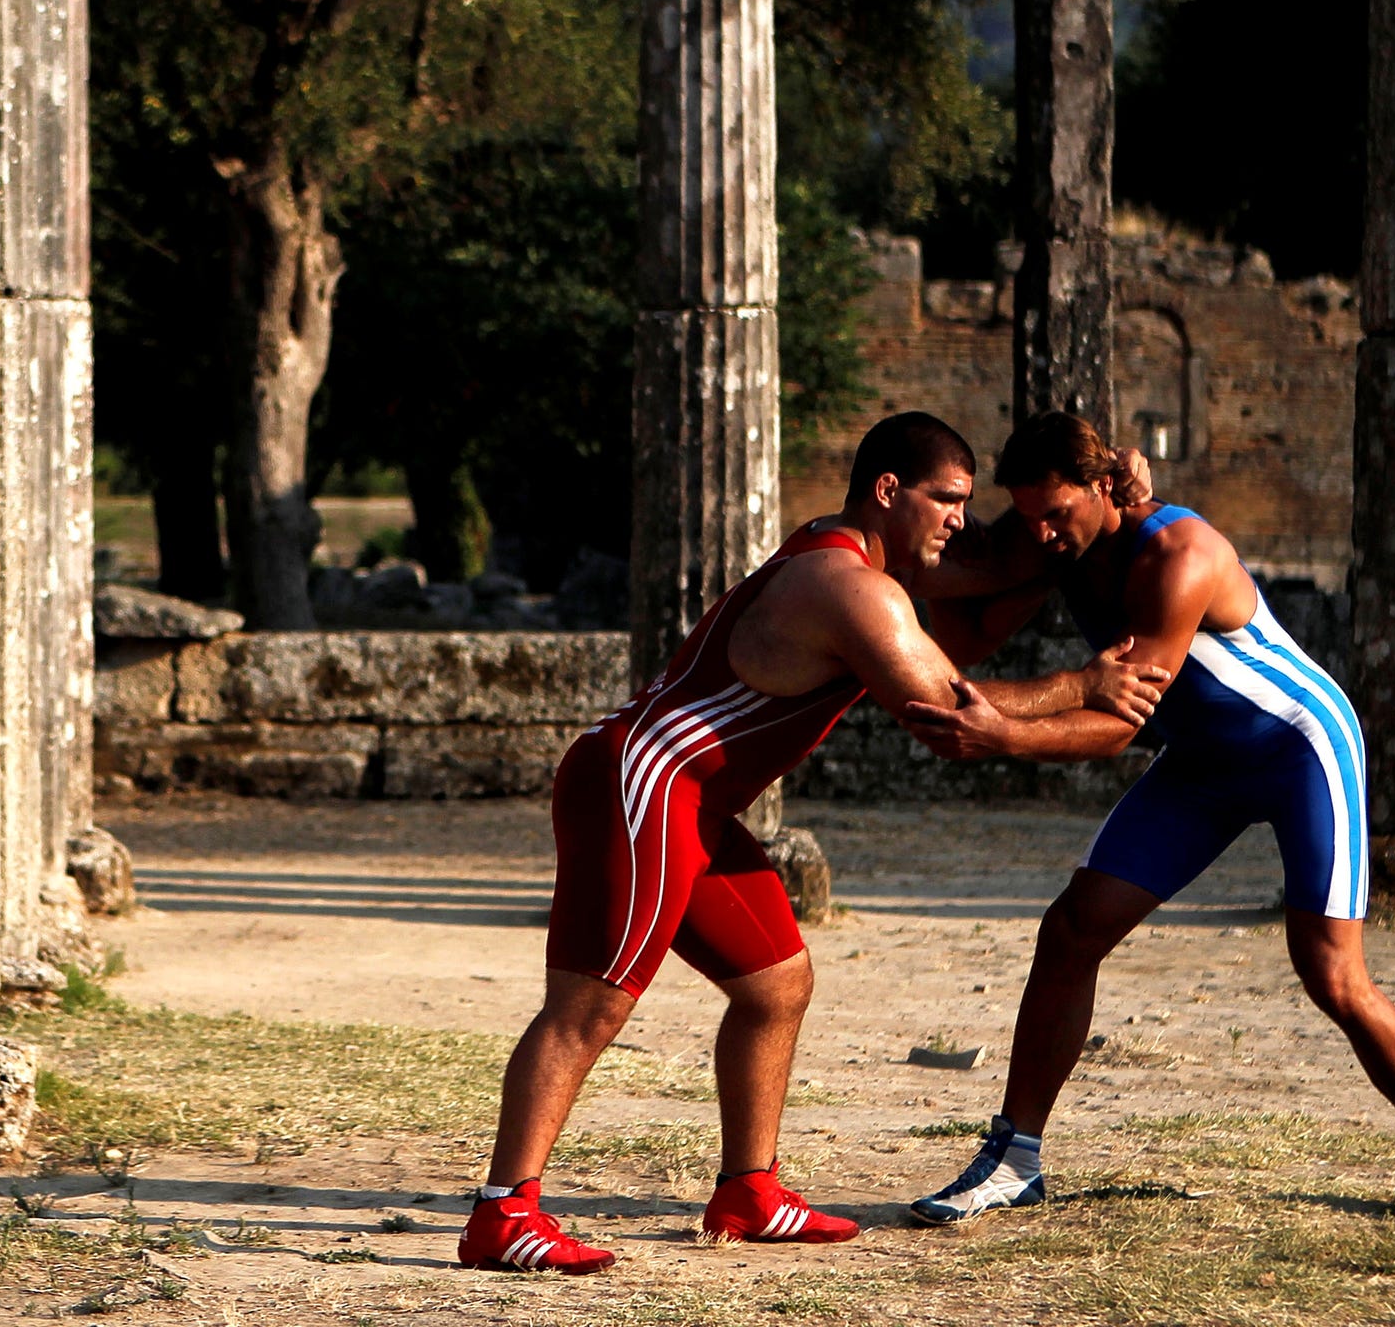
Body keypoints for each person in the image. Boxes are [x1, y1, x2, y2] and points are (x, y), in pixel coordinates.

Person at [457, 412, 1172, 1274]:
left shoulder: (859, 563)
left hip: (692, 804)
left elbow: (991, 590)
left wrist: (1098, 509)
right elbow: (947, 711)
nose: (958, 519)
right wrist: (1083, 683)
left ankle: (748, 1192)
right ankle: (503, 1213)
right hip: (641, 785)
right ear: (887, 492)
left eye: (965, 505)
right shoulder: (850, 587)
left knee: (777, 985)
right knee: (590, 1008)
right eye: (945, 500)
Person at [900, 411, 1395, 1226]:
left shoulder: (1180, 554)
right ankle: (1016, 1155)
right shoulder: (1055, 540)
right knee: (1072, 931)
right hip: (1203, 763)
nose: (1042, 533)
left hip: (1298, 749)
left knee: (1331, 971)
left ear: (1105, 488)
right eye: (1028, 517)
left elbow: (1117, 722)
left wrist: (1002, 735)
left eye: (1057, 514)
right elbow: (972, 626)